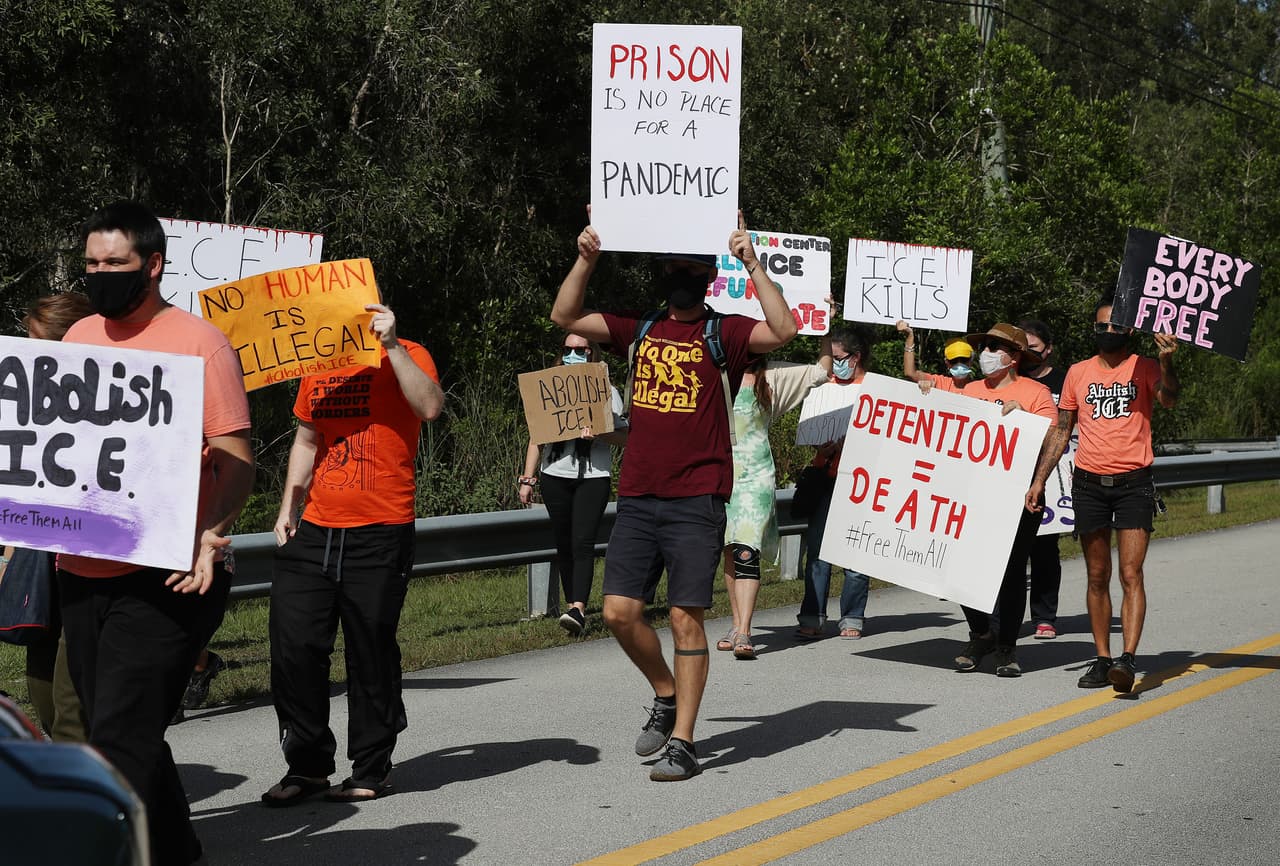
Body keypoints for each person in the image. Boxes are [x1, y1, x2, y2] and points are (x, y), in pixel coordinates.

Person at [550, 211, 797, 781]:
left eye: (690, 272)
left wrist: (752, 261)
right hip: (638, 495)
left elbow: (783, 330)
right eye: (673, 271)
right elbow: (564, 315)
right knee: (617, 613)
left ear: (708, 279)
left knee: (687, 619)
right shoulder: (637, 329)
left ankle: (683, 739)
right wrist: (586, 257)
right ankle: (665, 692)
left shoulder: (725, 332)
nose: (681, 280)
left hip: (698, 497)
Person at [58, 201, 255, 866]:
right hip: (81, 575)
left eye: (115, 263)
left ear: (153, 265)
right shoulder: (77, 337)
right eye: (91, 263)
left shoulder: (202, 345)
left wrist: (211, 535)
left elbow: (237, 462)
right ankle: (176, 851)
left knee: (117, 739)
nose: (100, 274)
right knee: (125, 728)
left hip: (168, 575)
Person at [263, 301, 444, 806]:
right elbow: (305, 439)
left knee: (370, 652)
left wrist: (390, 346)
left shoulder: (409, 354)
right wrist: (288, 506)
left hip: (381, 531)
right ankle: (308, 767)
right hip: (314, 528)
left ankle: (371, 766)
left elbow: (430, 406)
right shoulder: (317, 366)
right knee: (294, 649)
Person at [1026, 300, 1179, 693]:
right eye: (1100, 326)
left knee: (1131, 573)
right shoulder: (1078, 373)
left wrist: (1166, 361)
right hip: (1089, 485)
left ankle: (1127, 659)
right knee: (1097, 575)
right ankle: (1103, 658)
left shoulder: (1144, 367)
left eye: (1114, 326)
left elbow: (1168, 399)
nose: (1106, 332)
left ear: (1129, 330)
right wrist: (1040, 478)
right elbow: (1062, 430)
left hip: (1134, 484)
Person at [920, 323, 1056, 677]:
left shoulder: (1036, 393)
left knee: (1011, 573)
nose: (986, 353)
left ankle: (1007, 648)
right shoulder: (968, 390)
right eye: (986, 346)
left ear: (1013, 358)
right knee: (958, 566)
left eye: (996, 347)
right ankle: (981, 633)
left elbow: (1051, 440)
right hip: (969, 495)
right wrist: (924, 394)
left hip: (1017, 497)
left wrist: (1022, 419)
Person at [6, 293, 93, 743]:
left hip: (93, 566)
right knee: (42, 690)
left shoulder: (115, 400)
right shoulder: (22, 397)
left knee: (70, 705)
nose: (29, 350)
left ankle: (79, 792)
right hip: (40, 561)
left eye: (37, 341)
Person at [718, 331, 832, 659]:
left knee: (746, 550)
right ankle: (736, 623)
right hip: (722, 474)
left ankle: (745, 631)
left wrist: (823, 328)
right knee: (729, 549)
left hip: (755, 478)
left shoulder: (772, 381)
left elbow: (821, 371)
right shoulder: (715, 376)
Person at [518, 335, 628, 636]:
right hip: (555, 475)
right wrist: (528, 479)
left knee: (582, 542)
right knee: (564, 542)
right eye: (566, 349)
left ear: (591, 352)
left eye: (579, 350)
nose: (572, 354)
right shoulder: (549, 390)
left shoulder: (608, 392)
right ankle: (571, 605)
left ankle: (578, 608)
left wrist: (602, 433)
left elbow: (626, 438)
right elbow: (536, 438)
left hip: (592, 478)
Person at [796, 324, 874, 641]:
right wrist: (823, 448)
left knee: (855, 553)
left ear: (855, 358)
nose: (835, 363)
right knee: (817, 553)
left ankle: (852, 616)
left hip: (860, 482)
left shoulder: (875, 389)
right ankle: (812, 616)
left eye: (839, 357)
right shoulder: (823, 388)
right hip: (826, 477)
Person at [1018, 319, 1068, 640]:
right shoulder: (1010, 379)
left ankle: (1044, 616)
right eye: (1022, 350)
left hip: (1053, 472)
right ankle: (1001, 618)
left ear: (1048, 350)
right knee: (1010, 552)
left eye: (1033, 349)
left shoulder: (1067, 380)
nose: (1028, 355)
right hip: (1012, 472)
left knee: (1045, 549)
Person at [896, 320, 975, 388]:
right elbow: (910, 373)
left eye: (964, 359)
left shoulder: (982, 387)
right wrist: (910, 337)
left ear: (971, 361)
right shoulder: (938, 383)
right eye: (954, 361)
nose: (959, 364)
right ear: (947, 363)